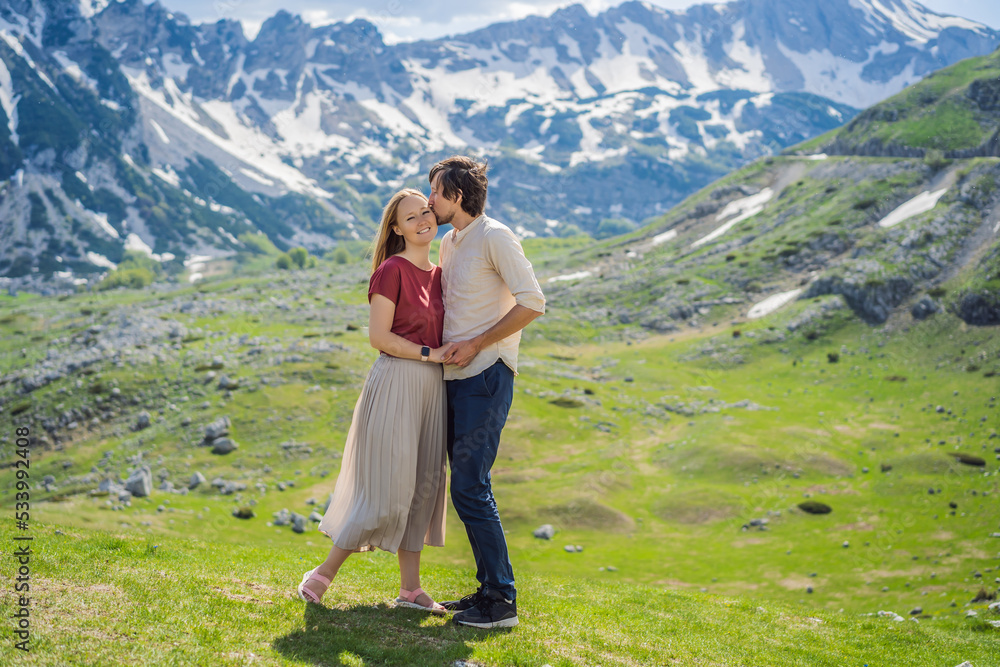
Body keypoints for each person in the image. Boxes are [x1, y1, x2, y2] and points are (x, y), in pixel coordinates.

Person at [296, 188, 453, 615]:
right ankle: (323, 574)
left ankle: (411, 589)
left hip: (433, 392)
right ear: (397, 228)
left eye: (426, 211)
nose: (423, 220)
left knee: (423, 486)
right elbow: (378, 338)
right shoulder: (391, 270)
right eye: (411, 216)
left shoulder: (442, 274)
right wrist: (428, 354)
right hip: (396, 381)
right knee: (384, 488)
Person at [428, 156, 546, 629]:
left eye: (435, 191)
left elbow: (533, 302)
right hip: (456, 380)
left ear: (456, 195)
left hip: (488, 375)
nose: (429, 199)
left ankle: (502, 603)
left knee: (471, 487)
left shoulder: (495, 235)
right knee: (466, 488)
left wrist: (477, 344)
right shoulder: (451, 242)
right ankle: (486, 591)